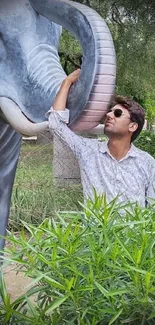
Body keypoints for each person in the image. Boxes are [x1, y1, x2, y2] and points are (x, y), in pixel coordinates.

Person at [47, 69, 155, 207]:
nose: (109, 115)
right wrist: (67, 82)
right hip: (97, 229)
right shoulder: (88, 151)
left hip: (133, 228)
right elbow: (56, 125)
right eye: (110, 111)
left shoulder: (147, 163)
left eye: (117, 113)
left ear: (132, 126)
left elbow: (152, 208)